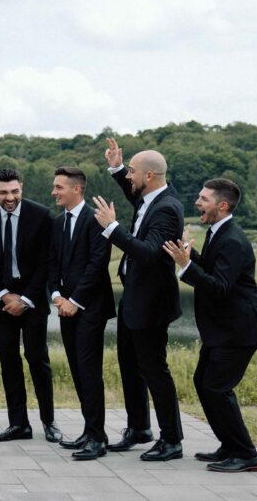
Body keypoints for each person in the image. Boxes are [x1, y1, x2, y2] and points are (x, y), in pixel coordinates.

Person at [163, 178, 257, 473]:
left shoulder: (233, 240)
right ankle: (229, 444)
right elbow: (212, 270)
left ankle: (248, 454)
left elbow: (220, 286)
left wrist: (186, 266)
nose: (198, 202)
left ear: (222, 205)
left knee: (217, 387)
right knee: (204, 382)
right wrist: (189, 254)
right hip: (223, 329)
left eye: (203, 199)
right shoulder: (218, 232)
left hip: (240, 329)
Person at [93, 138, 184, 461]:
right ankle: (140, 428)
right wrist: (117, 167)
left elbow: (147, 254)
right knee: (130, 367)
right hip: (134, 299)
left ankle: (171, 440)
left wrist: (112, 227)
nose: (129, 177)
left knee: (154, 370)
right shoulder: (150, 199)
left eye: (132, 171)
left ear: (149, 175)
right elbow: (133, 196)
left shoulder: (167, 209)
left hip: (151, 305)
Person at [0, 169, 59, 444]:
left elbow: (46, 263)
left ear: (21, 188)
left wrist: (24, 299)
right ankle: (18, 424)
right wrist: (3, 294)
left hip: (32, 300)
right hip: (0, 300)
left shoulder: (41, 215)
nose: (9, 198)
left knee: (37, 359)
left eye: (14, 192)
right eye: (3, 193)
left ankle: (49, 422)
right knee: (8, 361)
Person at [47, 167, 114, 461]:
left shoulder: (95, 220)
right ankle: (89, 431)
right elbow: (52, 263)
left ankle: (98, 439)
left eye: (59, 187)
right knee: (77, 370)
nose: (54, 192)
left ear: (77, 189)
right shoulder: (58, 221)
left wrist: (75, 300)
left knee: (89, 373)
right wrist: (57, 295)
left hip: (90, 309)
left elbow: (98, 264)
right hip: (66, 308)